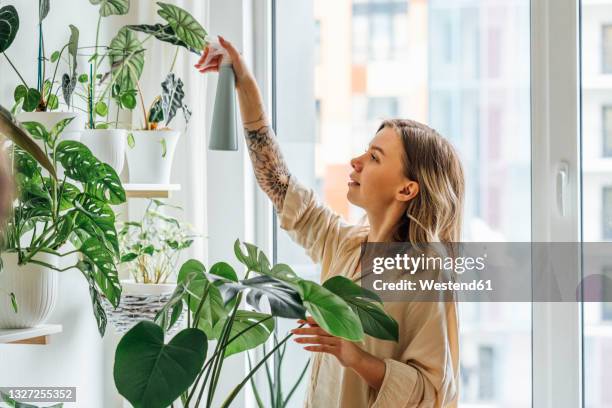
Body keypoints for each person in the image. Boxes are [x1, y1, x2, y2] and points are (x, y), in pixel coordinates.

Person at [196, 36, 464, 408]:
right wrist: (244, 81)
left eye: (374, 157)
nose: (355, 161)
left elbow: (433, 393)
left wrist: (355, 357)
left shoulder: (425, 276)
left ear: (406, 189)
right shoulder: (345, 244)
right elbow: (279, 185)